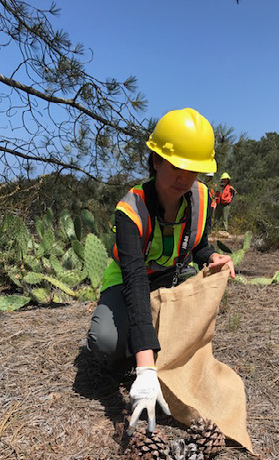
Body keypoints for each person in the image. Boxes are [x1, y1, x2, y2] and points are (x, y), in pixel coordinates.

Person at [86, 108, 235, 434]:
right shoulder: (131, 208)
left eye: (193, 170)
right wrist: (145, 370)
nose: (184, 178)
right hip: (129, 280)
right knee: (106, 341)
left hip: (171, 278)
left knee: (179, 337)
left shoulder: (201, 198)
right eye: (176, 166)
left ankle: (151, 345)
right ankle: (139, 353)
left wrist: (212, 258)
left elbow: (198, 247)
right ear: (155, 161)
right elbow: (136, 280)